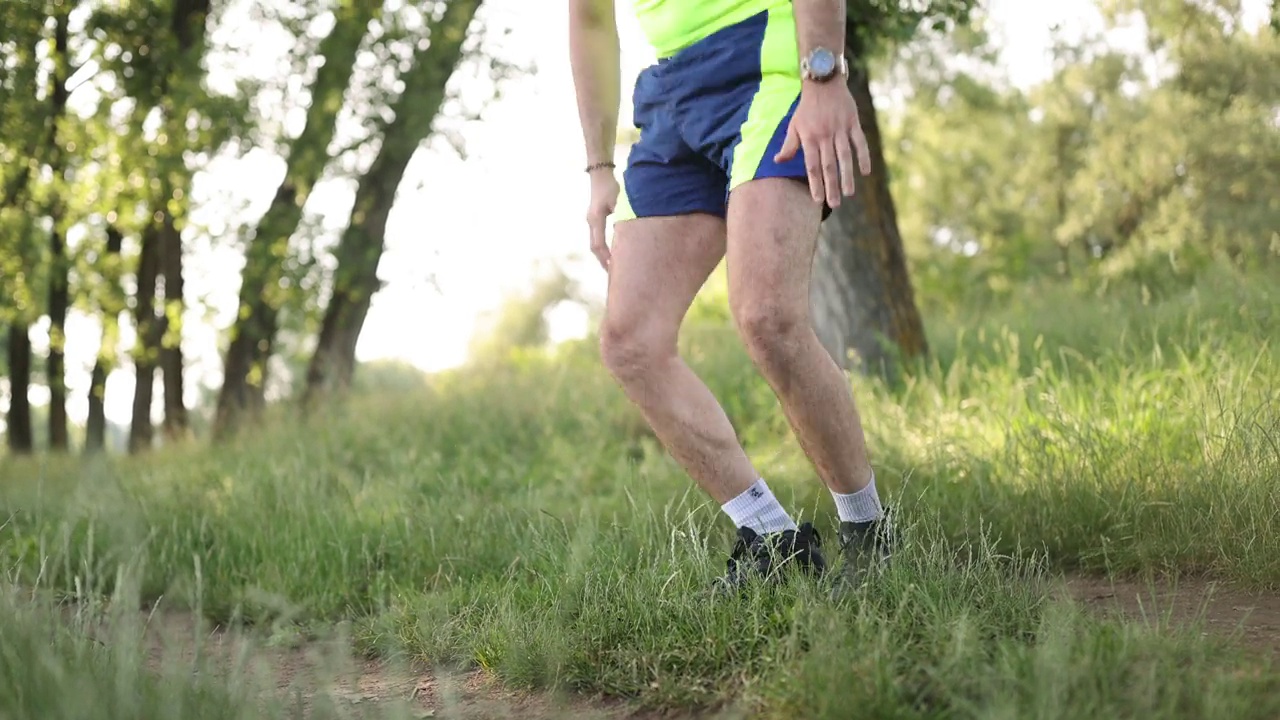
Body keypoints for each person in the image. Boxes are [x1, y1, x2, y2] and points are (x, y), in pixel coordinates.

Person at [568, 0, 893, 593]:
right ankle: (770, 538)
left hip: (767, 57)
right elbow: (589, 19)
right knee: (630, 343)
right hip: (670, 92)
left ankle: (869, 532)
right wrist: (597, 169)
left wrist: (823, 76)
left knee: (768, 318)